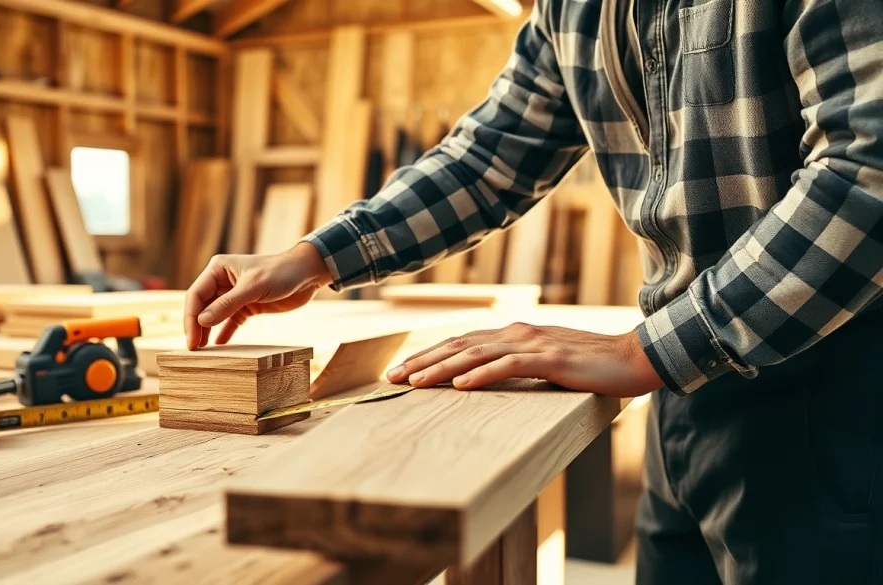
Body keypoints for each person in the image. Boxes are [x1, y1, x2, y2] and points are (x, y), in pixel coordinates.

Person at [185, 0, 882, 582]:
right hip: (684, 399)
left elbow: (868, 171)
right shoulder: (574, 7)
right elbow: (491, 156)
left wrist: (645, 349)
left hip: (834, 405)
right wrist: (316, 256)